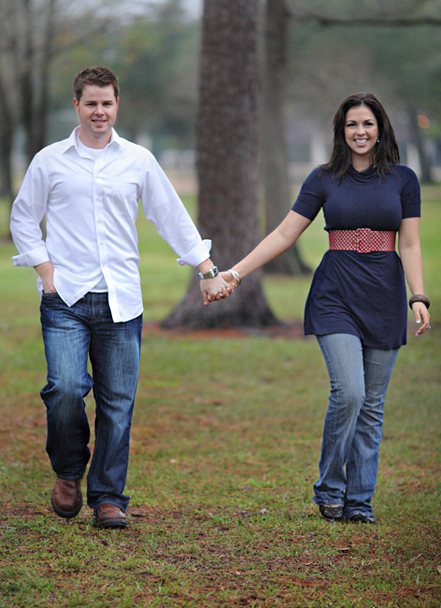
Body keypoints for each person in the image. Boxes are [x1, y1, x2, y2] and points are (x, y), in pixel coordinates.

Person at [10, 66, 231, 529]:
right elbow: (24, 218)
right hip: (65, 298)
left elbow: (169, 215)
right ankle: (69, 472)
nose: (99, 111)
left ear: (117, 105)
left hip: (121, 301)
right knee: (65, 390)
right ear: (76, 106)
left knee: (117, 404)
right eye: (91, 103)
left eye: (107, 103)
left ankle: (108, 497)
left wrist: (206, 268)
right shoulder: (50, 160)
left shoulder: (138, 160)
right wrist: (46, 271)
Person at [213, 92, 430, 524]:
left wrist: (418, 296)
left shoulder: (404, 180)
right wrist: (235, 274)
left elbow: (409, 241)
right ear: (341, 131)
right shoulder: (324, 177)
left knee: (372, 405)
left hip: (385, 295)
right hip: (336, 294)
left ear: (381, 128)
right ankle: (330, 487)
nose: (360, 131)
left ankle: (359, 500)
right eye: (352, 124)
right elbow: (283, 234)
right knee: (349, 392)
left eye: (368, 123)